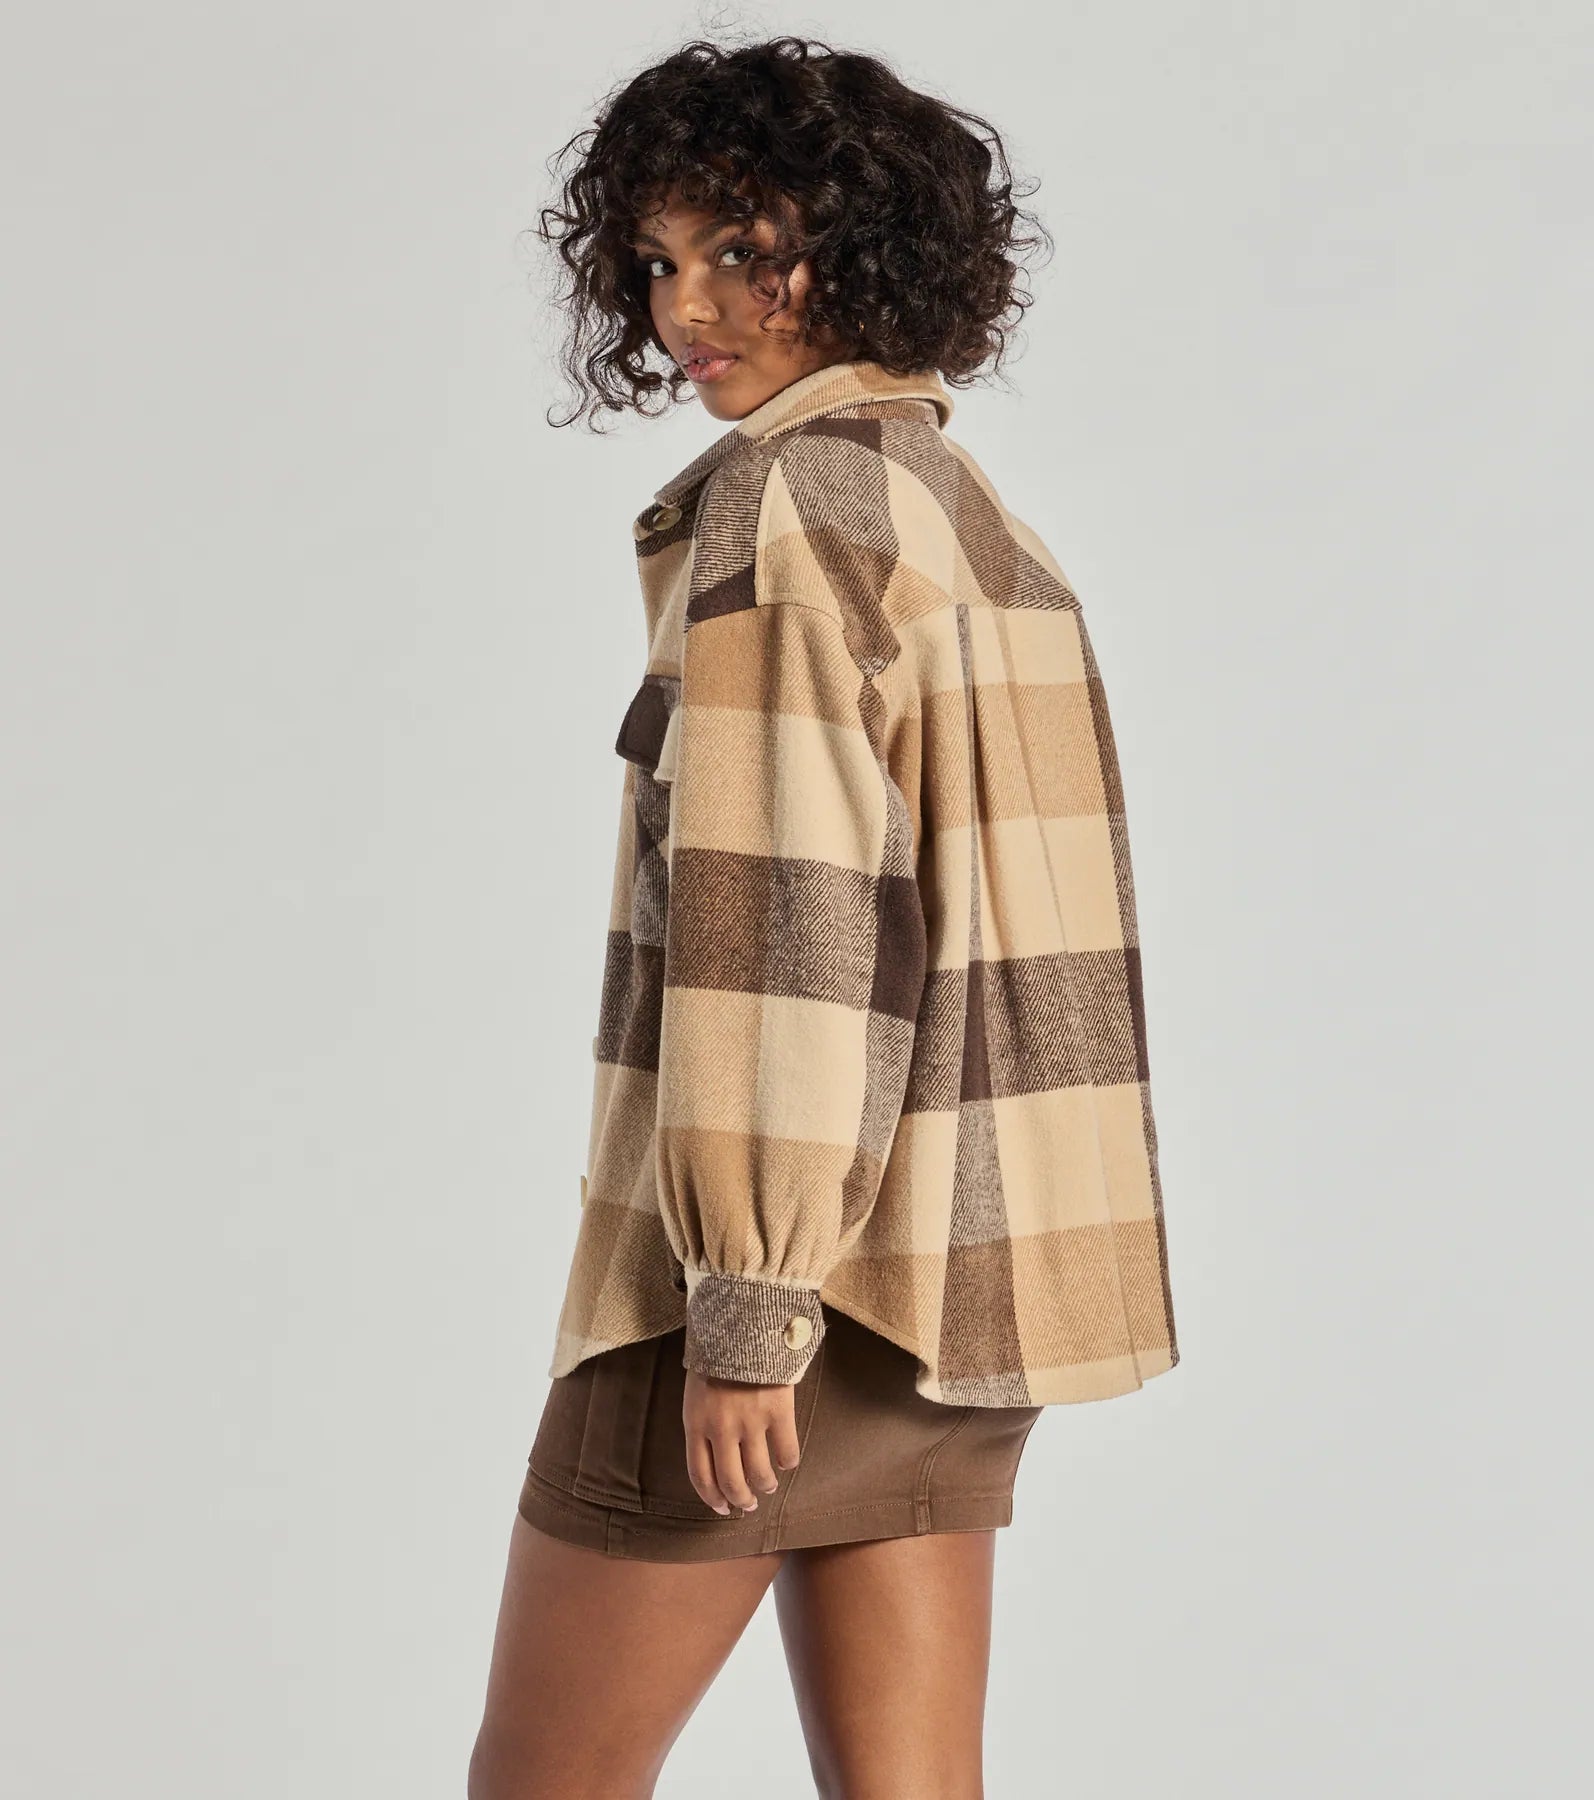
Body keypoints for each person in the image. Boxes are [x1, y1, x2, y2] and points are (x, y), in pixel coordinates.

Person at [471, 34, 1180, 1800]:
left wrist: (745, 1307)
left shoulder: (788, 507)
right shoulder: (955, 508)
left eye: (741, 250)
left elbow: (787, 929)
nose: (685, 309)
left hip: (781, 1289)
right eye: (655, 262)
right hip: (957, 1289)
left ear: (862, 249)